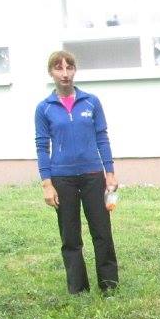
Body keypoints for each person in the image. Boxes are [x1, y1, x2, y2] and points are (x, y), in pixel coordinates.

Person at [34, 50, 119, 294]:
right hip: (62, 179)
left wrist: (110, 173)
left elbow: (102, 137)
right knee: (70, 236)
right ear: (51, 72)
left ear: (75, 71)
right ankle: (78, 289)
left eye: (69, 68)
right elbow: (42, 146)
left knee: (102, 232)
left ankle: (109, 285)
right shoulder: (44, 108)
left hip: (93, 175)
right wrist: (47, 184)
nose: (65, 74)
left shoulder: (91, 102)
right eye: (59, 68)